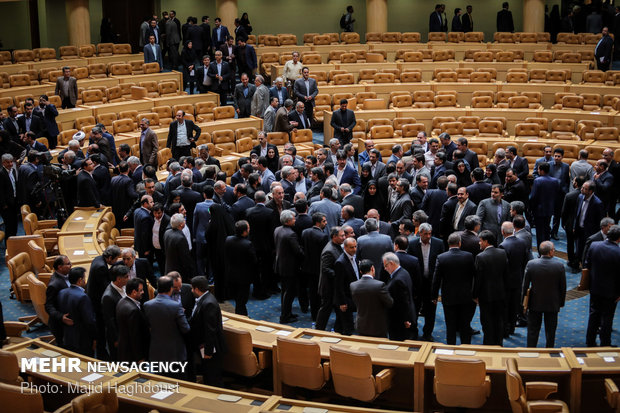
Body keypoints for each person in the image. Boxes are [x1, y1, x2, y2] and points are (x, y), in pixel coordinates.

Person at [432, 233, 475, 345]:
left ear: (448, 243)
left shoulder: (441, 257)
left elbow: (436, 280)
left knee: (450, 326)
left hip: (448, 297)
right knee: (465, 325)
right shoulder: (469, 256)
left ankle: (451, 349)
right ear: (460, 243)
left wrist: (434, 296)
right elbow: (474, 276)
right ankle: (466, 349)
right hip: (466, 296)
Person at [144, 276, 190, 379]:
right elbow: (185, 329)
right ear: (171, 288)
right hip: (175, 353)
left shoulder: (147, 305)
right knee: (179, 384)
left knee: (160, 382)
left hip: (156, 352)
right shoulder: (176, 306)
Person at [521, 241, 566, 348]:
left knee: (533, 330)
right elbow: (562, 287)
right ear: (550, 252)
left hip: (535, 302)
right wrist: (561, 302)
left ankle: (531, 351)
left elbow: (525, 286)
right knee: (551, 331)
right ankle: (549, 351)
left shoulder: (531, 264)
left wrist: (523, 302)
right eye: (553, 249)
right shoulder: (559, 266)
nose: (554, 251)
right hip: (553, 303)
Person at [408, 223, 444, 341]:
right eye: (425, 234)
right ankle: (413, 331)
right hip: (417, 283)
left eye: (430, 234)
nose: (428, 236)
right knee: (415, 308)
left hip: (432, 283)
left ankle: (427, 333)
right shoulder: (412, 244)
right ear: (420, 233)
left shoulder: (438, 243)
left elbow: (441, 262)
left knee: (430, 310)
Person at [585, 225, 620, 347]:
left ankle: (590, 342)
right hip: (611, 292)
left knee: (594, 315)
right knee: (607, 318)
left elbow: (587, 265)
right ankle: (605, 344)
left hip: (595, 288)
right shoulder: (618, 252)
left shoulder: (594, 246)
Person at [189, 276, 227, 387]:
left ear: (196, 289)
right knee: (208, 375)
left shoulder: (209, 303)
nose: (191, 291)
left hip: (211, 349)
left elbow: (210, 330)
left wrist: (208, 352)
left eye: (192, 288)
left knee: (213, 378)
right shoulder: (204, 299)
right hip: (204, 346)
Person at [474, 230, 508, 346]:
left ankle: (488, 345)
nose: (479, 243)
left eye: (480, 241)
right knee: (499, 321)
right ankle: (499, 344)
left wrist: (475, 295)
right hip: (500, 294)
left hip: (486, 296)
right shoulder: (502, 253)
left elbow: (478, 279)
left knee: (487, 322)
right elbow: (505, 274)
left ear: (486, 242)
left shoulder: (480, 257)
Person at [499, 222, 530, 338]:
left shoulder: (502, 245)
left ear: (502, 232)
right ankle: (512, 328)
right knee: (514, 305)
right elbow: (526, 261)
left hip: (506, 282)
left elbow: (502, 266)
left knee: (506, 306)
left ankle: (505, 331)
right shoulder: (522, 243)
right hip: (519, 279)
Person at [274, 210, 305, 323]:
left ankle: (287, 312)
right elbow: (298, 252)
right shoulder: (291, 234)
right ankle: (285, 316)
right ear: (287, 221)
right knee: (289, 293)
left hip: (280, 265)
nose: (295, 220)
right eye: (293, 219)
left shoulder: (277, 229)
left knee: (284, 291)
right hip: (290, 268)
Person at [58, 267, 97, 356]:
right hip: (82, 339)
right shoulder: (83, 297)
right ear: (80, 280)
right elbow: (89, 321)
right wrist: (95, 338)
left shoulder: (62, 292)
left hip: (68, 336)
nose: (85, 280)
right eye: (84, 278)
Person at [350, 260, 393, 338]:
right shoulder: (380, 285)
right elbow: (390, 303)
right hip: (378, 326)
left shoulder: (353, 285)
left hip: (361, 325)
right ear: (372, 268)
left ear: (360, 271)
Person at [224, 220, 257, 315]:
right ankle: (242, 317)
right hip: (244, 276)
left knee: (237, 298)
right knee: (242, 300)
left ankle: (240, 315)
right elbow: (253, 261)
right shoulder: (248, 244)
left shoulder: (228, 239)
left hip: (231, 274)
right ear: (244, 231)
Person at [316, 227, 345, 331]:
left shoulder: (337, 246)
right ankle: (319, 330)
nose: (344, 237)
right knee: (325, 309)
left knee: (337, 309)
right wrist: (339, 275)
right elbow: (326, 269)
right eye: (342, 236)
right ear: (334, 237)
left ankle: (339, 329)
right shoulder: (329, 250)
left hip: (334, 286)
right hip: (328, 287)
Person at [382, 252, 415, 341]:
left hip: (399, 320)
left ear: (391, 263)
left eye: (385, 266)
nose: (385, 269)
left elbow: (403, 302)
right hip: (403, 316)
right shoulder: (404, 272)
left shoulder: (398, 280)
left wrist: (406, 319)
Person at [116, 278, 149, 362]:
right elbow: (135, 337)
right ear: (134, 292)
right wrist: (140, 357)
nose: (143, 292)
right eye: (141, 290)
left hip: (124, 349)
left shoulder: (121, 301)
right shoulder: (133, 310)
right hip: (132, 355)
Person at [530, 162, 562, 248]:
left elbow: (533, 197)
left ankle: (541, 251)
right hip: (550, 209)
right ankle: (547, 248)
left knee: (540, 231)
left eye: (538, 169)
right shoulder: (555, 181)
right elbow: (556, 196)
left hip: (539, 210)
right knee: (547, 229)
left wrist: (531, 209)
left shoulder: (537, 180)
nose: (538, 171)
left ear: (541, 170)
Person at [101, 265, 129, 360]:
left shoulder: (123, 287)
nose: (128, 278)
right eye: (126, 277)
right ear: (118, 279)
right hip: (118, 335)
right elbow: (110, 320)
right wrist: (117, 339)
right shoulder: (108, 296)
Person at [333, 237, 359, 335]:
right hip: (345, 298)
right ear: (345, 247)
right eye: (352, 247)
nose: (354, 249)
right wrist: (342, 302)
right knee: (347, 325)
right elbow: (338, 285)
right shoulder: (340, 262)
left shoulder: (355, 257)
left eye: (355, 246)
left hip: (352, 294)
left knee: (341, 322)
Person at [45, 256, 73, 345]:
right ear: (60, 267)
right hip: (61, 325)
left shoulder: (68, 274)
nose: (71, 265)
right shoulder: (54, 285)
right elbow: (48, 306)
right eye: (68, 264)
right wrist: (61, 317)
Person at [164, 213, 196, 282]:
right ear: (181, 224)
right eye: (184, 220)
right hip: (179, 273)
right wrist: (190, 274)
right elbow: (185, 258)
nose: (185, 221)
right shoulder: (180, 238)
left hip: (169, 268)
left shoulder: (167, 232)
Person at [0, 154, 18, 238]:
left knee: (15, 223)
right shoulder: (1, 173)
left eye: (11, 162)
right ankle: (8, 245)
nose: (11, 164)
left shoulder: (13, 171)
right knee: (9, 225)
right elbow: (1, 191)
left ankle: (14, 242)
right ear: (3, 163)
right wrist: (4, 205)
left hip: (13, 201)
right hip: (6, 205)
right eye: (8, 162)